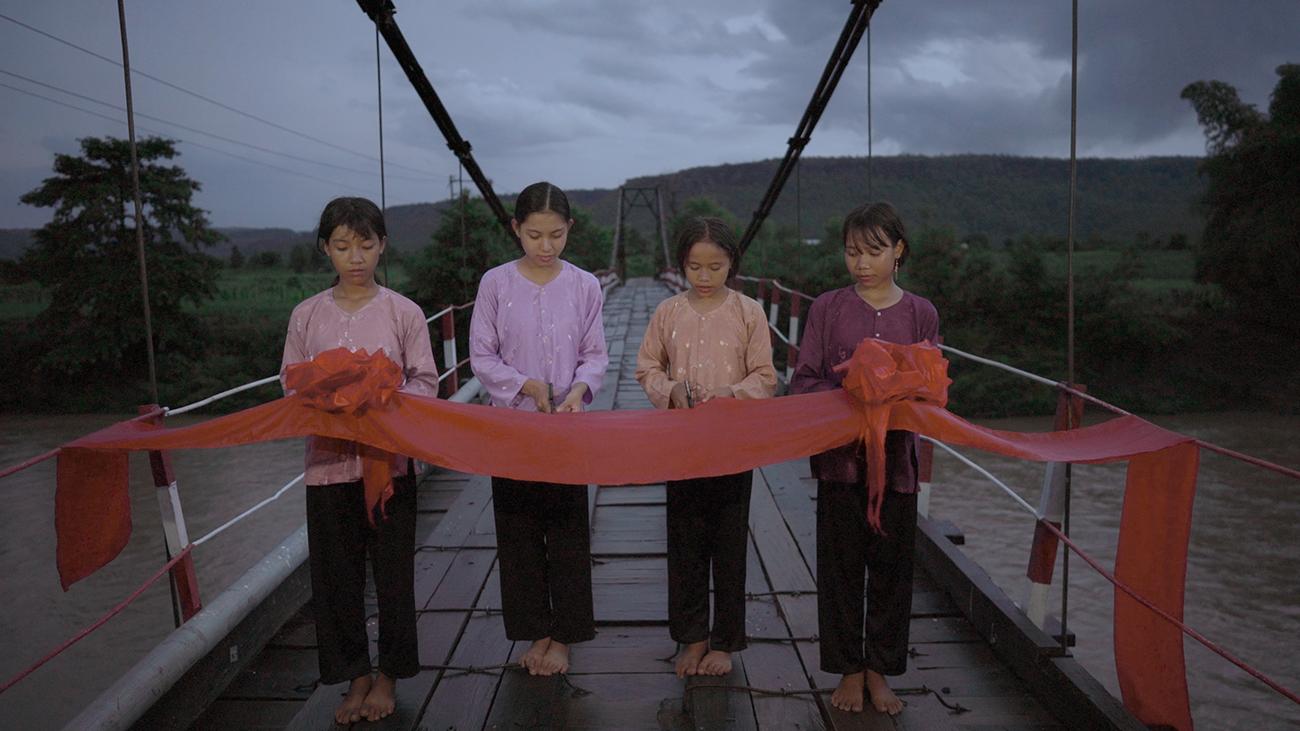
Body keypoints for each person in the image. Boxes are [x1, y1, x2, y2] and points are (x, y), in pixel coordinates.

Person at [281, 197, 439, 724]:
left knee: (394, 575)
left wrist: (385, 393)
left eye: (366, 245)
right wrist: (332, 391)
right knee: (335, 578)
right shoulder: (306, 315)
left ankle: (389, 676)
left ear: (383, 246)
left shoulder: (404, 312)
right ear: (325, 248)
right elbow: (290, 382)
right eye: (343, 246)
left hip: (390, 469)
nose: (356, 257)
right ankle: (356, 678)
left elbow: (426, 382)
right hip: (327, 469)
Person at [789, 202, 939, 715]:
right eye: (852, 252)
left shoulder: (922, 313)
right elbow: (803, 378)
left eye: (874, 251)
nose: (862, 263)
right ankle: (849, 671)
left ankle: (880, 673)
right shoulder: (827, 308)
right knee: (840, 571)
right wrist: (851, 384)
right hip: (839, 462)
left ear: (899, 250)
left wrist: (901, 386)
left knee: (894, 575)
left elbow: (932, 388)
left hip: (897, 467)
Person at [469, 181, 609, 676]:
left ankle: (565, 637)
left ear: (569, 229)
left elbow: (595, 354)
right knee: (518, 529)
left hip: (568, 426)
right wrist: (525, 385)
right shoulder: (495, 283)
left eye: (555, 235)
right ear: (515, 230)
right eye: (533, 235)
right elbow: (481, 356)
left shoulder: (585, 285)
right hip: (511, 427)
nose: (545, 247)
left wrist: (578, 391)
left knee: (568, 526)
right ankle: (537, 631)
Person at [635, 217, 777, 678]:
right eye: (694, 266)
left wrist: (732, 397)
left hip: (734, 446)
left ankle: (725, 642)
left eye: (715, 266)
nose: (704, 276)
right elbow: (646, 368)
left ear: (731, 263)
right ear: (681, 265)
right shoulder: (667, 312)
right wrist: (671, 389)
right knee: (685, 542)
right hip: (682, 446)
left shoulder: (749, 312)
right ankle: (692, 638)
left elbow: (765, 377)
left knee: (730, 544)